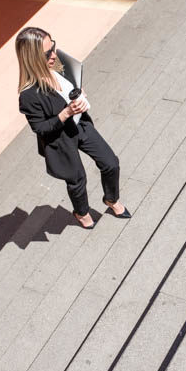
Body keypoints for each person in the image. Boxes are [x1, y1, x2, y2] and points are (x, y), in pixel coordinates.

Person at [16, 27, 131, 229]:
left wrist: (77, 91)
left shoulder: (58, 65)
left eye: (53, 47)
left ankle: (111, 199)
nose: (54, 54)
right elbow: (40, 128)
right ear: (32, 58)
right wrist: (66, 113)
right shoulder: (28, 95)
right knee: (77, 179)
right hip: (60, 139)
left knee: (110, 163)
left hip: (81, 124)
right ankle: (81, 212)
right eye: (47, 53)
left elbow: (71, 84)